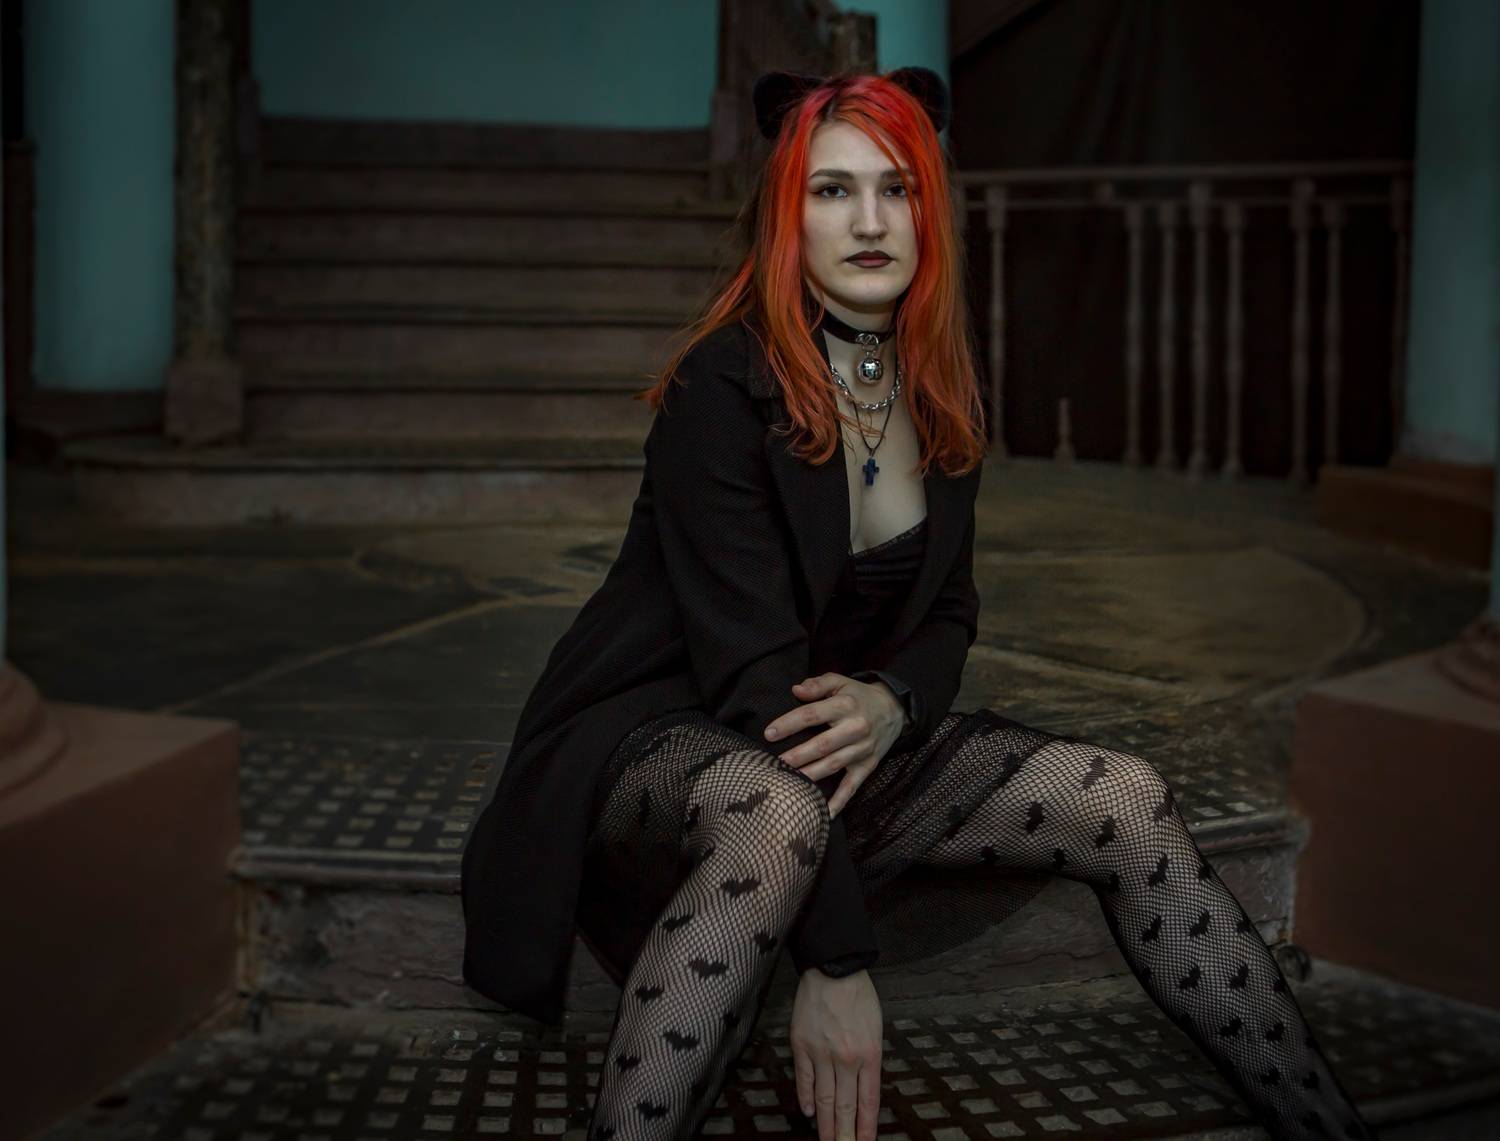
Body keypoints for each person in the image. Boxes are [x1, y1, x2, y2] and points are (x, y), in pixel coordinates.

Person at [459, 68, 1379, 1141]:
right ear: (787, 217)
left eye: (896, 189)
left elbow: (951, 614)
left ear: (928, 211)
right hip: (657, 735)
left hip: (827, 746)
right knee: (776, 816)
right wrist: (837, 959)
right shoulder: (723, 386)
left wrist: (895, 700)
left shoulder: (936, 382)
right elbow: (755, 681)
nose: (869, 221)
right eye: (833, 190)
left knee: (1127, 796)